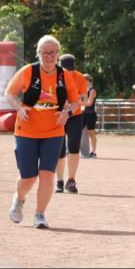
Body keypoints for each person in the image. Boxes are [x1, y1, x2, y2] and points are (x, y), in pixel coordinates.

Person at [4, 35, 80, 229]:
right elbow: (9, 94)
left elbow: (75, 101)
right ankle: (19, 199)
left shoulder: (64, 76)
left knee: (47, 175)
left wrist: (67, 113)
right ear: (38, 54)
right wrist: (19, 108)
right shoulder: (28, 71)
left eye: (53, 53)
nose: (49, 57)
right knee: (29, 177)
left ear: (58, 54)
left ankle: (40, 214)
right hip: (26, 131)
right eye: (45, 53)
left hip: (54, 132)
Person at [54, 54, 87, 193]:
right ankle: (60, 181)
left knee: (74, 148)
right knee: (59, 151)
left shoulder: (80, 77)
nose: (69, 72)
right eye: (66, 69)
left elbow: (84, 100)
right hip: (58, 116)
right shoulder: (53, 75)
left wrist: (74, 100)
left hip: (75, 116)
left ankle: (71, 180)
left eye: (71, 69)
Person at [82, 74, 98, 157]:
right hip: (84, 113)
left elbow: (89, 103)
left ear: (88, 80)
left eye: (83, 80)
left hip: (90, 114)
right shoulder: (85, 89)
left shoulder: (92, 90)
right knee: (78, 131)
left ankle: (93, 152)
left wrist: (78, 103)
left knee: (91, 133)